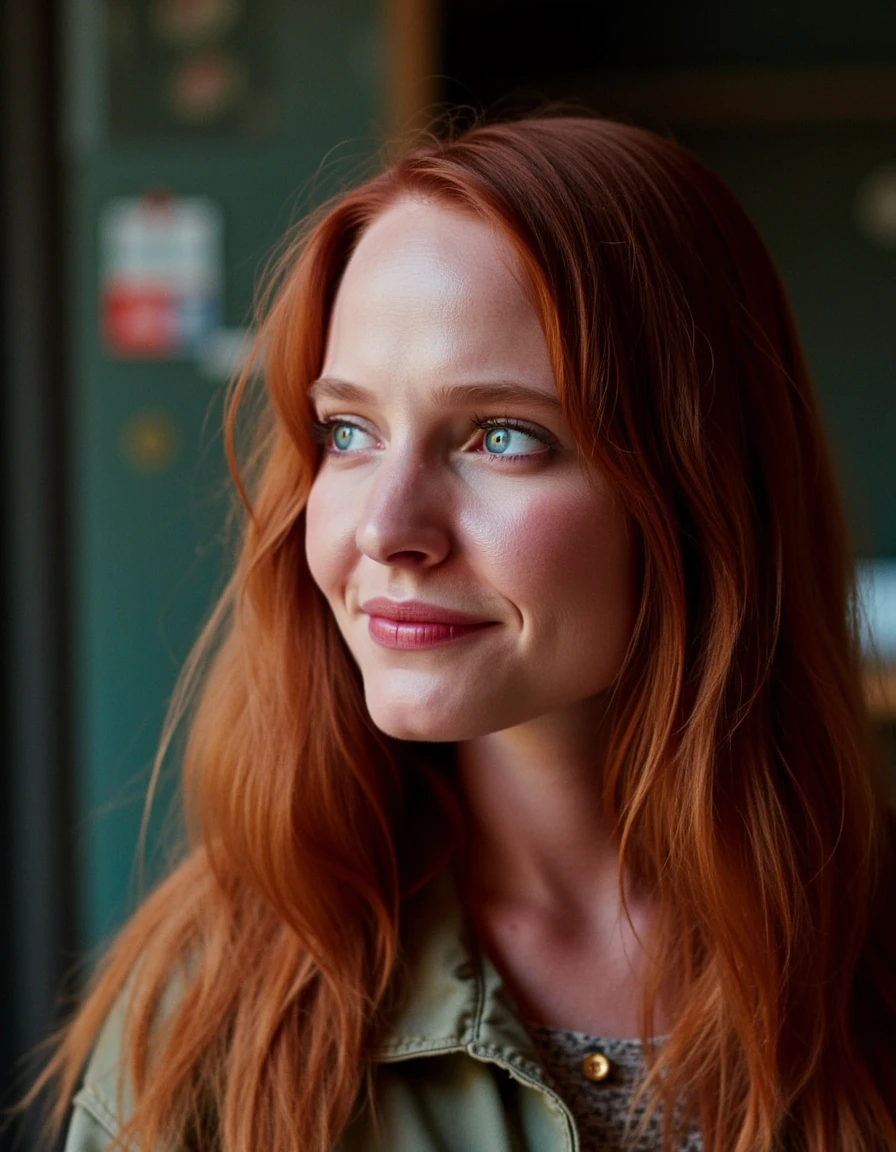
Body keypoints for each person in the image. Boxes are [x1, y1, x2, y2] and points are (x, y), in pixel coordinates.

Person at [36, 116, 896, 1151]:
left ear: (701, 485)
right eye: (346, 433)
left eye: (499, 436)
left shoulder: (870, 967)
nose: (385, 530)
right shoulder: (215, 1012)